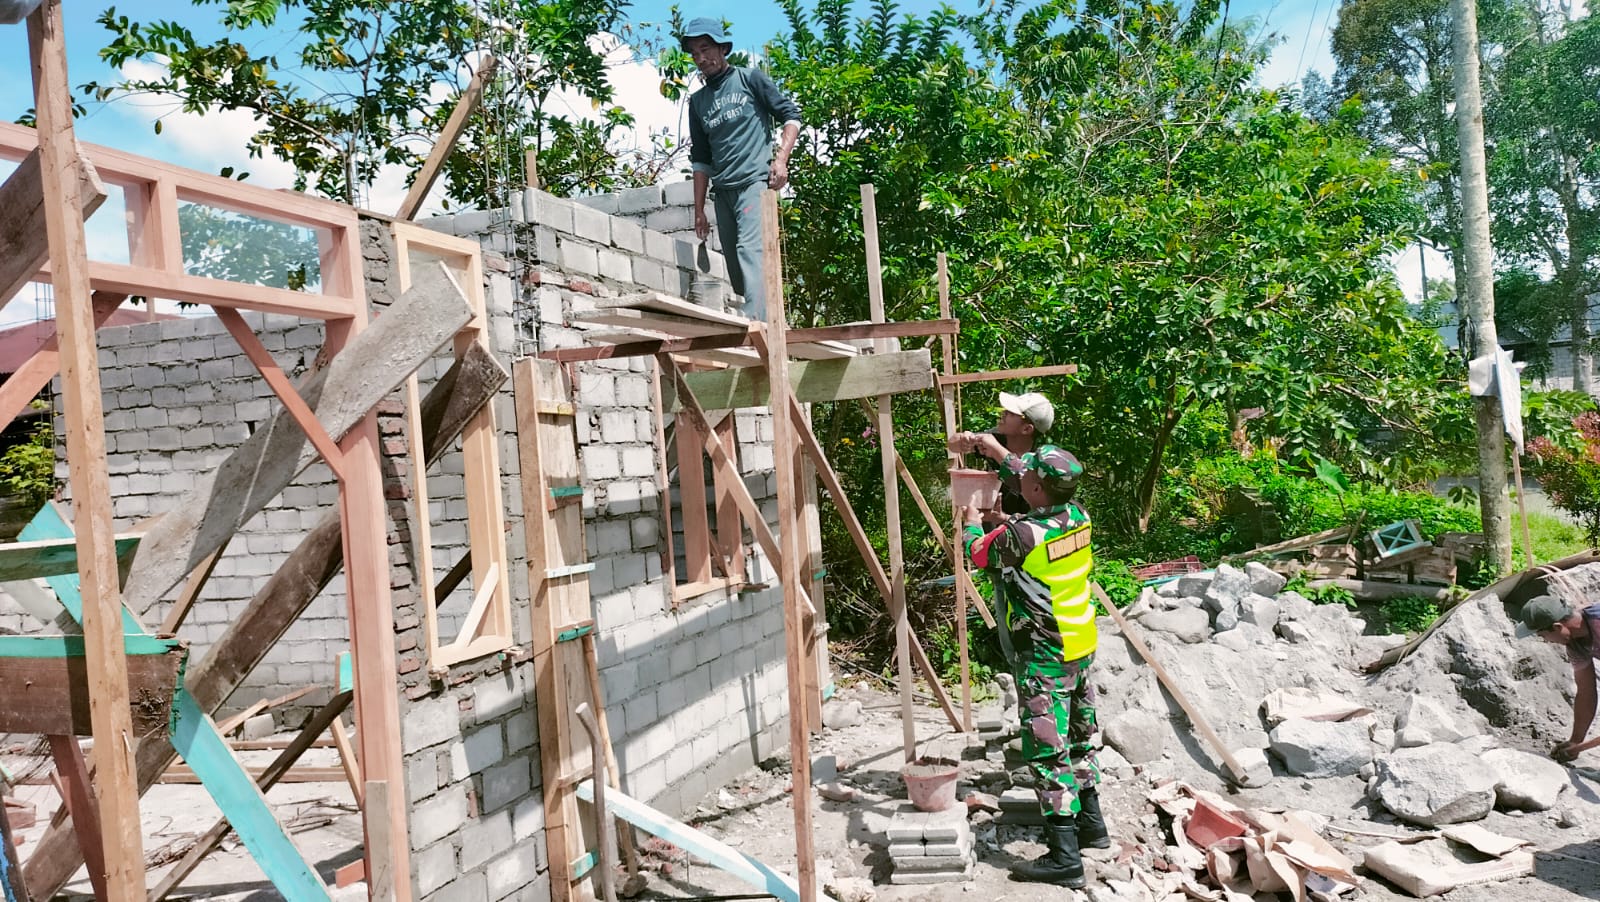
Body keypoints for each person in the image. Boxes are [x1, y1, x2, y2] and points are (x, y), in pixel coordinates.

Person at [963, 445, 1106, 886]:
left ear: (1038, 489)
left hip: (1044, 653)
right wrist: (992, 452)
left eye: (1027, 477)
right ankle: (1092, 826)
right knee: (1081, 737)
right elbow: (1031, 517)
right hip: (1078, 644)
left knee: (1048, 750)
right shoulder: (1077, 515)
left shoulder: (1024, 534)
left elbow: (980, 554)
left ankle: (1064, 857)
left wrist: (972, 523)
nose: (1018, 477)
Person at [678, 17, 801, 321]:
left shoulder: (750, 80)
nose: (701, 58)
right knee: (734, 262)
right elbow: (701, 159)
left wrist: (781, 158)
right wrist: (698, 210)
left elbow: (791, 117)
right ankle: (768, 317)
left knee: (750, 250)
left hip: (753, 183)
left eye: (705, 49)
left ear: (722, 48)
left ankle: (757, 322)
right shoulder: (698, 102)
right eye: (694, 53)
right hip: (724, 191)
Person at [948, 391, 1055, 521]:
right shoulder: (996, 437)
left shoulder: (1045, 460)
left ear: (1026, 429)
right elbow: (952, 444)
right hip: (992, 524)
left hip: (1029, 531)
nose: (1004, 413)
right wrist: (963, 440)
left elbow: (1021, 476)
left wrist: (995, 450)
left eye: (1011, 412)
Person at [1518, 594, 1600, 761]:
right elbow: (1586, 692)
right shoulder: (1575, 644)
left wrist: (1582, 748)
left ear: (1557, 627)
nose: (1547, 641)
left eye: (1542, 636)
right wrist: (1575, 741)